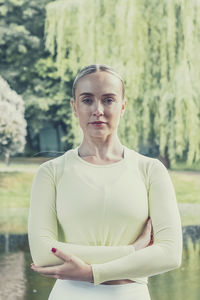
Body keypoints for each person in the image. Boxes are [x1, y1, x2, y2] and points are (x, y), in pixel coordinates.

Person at [28, 64, 183, 300]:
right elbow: (43, 253)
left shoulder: (151, 170)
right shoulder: (50, 173)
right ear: (74, 107)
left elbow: (170, 254)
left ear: (122, 106)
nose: (97, 110)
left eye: (108, 100)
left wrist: (93, 273)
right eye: (87, 100)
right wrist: (132, 251)